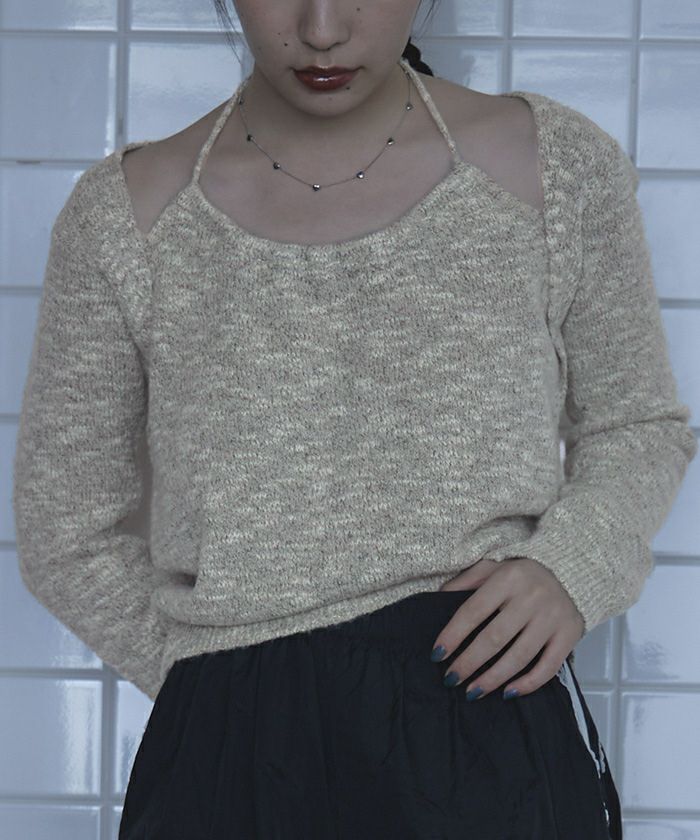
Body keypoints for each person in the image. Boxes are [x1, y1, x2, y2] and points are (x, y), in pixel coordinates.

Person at [12, 1, 697, 838]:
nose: (323, 28)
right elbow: (65, 526)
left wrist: (573, 569)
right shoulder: (127, 216)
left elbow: (638, 423)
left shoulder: (553, 167)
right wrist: (209, 676)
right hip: (230, 756)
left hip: (485, 729)